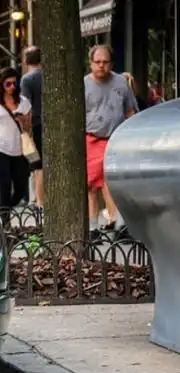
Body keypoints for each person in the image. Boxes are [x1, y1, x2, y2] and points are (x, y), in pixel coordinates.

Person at [84, 44, 137, 238]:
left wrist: (132, 137)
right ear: (91, 63)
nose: (101, 66)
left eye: (105, 62)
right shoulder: (83, 85)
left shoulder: (121, 83)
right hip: (91, 138)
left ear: (112, 64)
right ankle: (93, 227)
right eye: (97, 62)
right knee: (91, 185)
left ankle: (118, 222)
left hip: (115, 139)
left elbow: (130, 110)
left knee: (112, 181)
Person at [0, 67, 32, 225]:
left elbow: (28, 128)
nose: (12, 87)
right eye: (8, 84)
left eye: (15, 83)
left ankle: (5, 208)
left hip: (19, 149)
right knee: (4, 184)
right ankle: (5, 221)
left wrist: (23, 121)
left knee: (21, 186)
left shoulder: (24, 103)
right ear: (1, 85)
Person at [20, 45, 44, 212]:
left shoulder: (27, 80)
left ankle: (40, 202)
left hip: (35, 125)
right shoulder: (47, 76)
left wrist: (24, 129)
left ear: (25, 61)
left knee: (37, 165)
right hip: (47, 123)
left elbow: (25, 105)